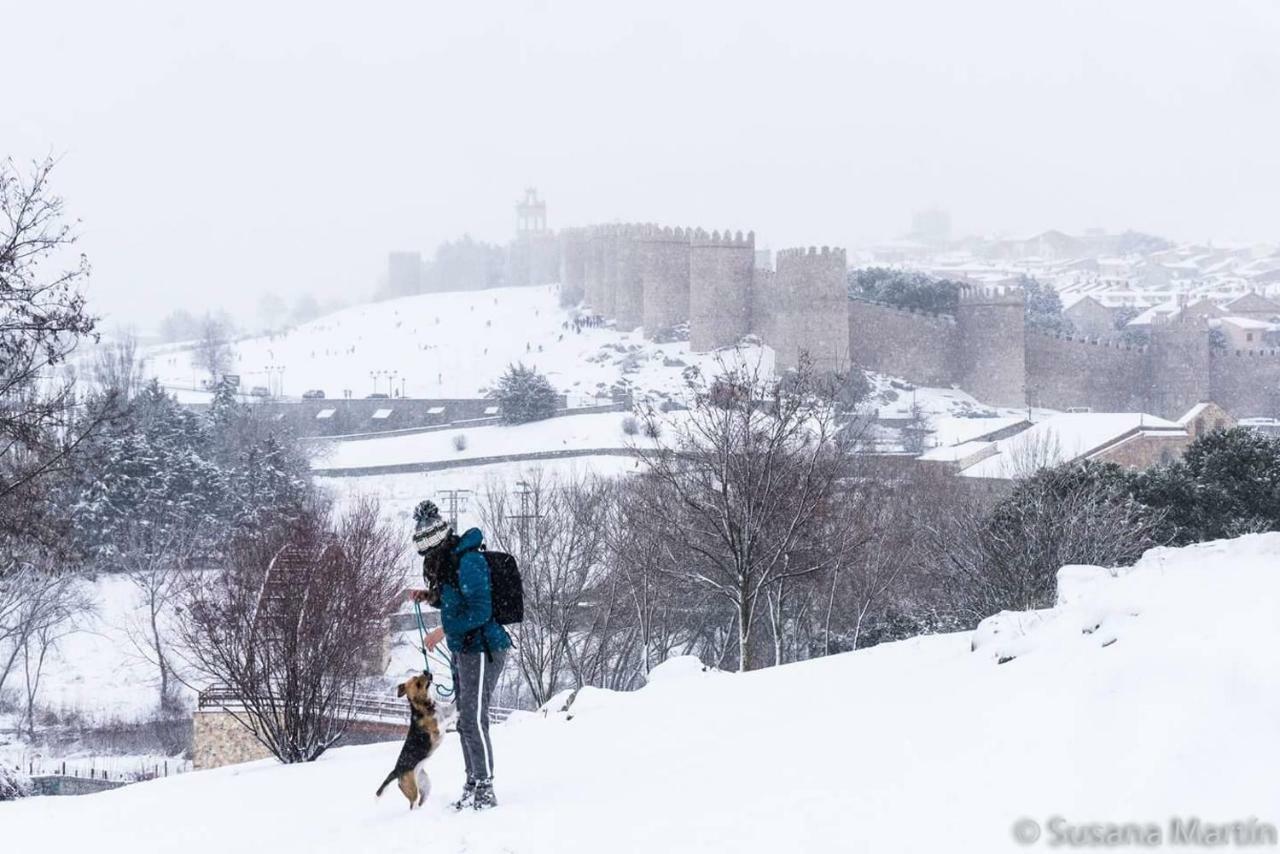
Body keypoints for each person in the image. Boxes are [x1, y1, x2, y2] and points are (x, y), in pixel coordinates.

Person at [408, 501, 512, 811]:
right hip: (464, 648)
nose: (427, 557)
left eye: (428, 547)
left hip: (484, 647)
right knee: (466, 721)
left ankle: (484, 787)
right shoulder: (448, 562)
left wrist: (442, 629)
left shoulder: (468, 561)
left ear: (439, 538)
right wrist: (430, 597)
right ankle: (472, 784)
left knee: (472, 719)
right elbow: (455, 600)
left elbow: (481, 610)